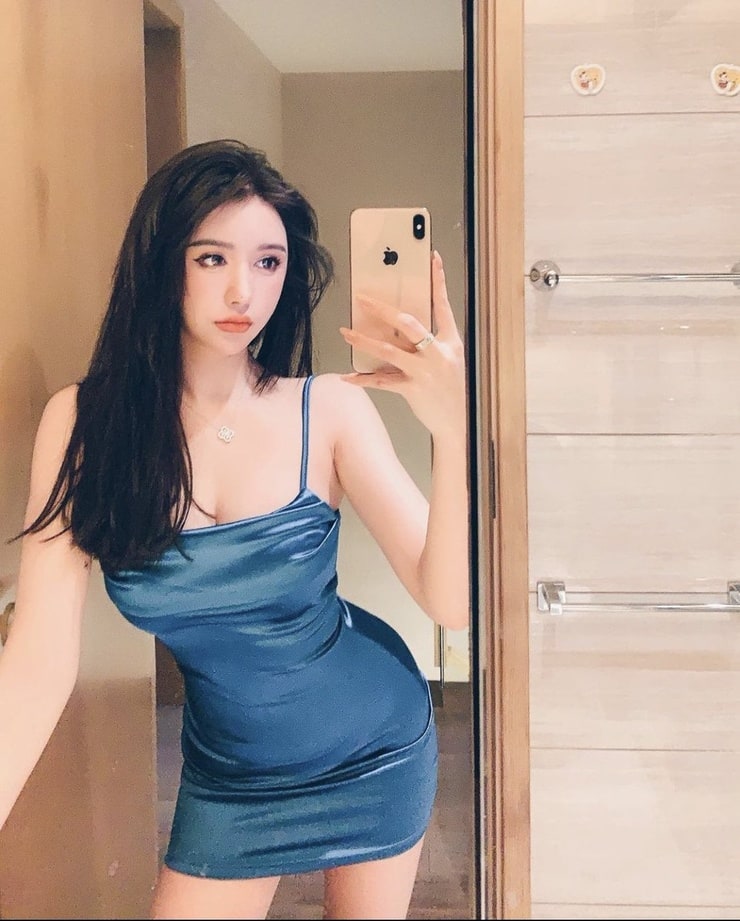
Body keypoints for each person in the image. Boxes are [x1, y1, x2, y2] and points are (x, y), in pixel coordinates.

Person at [0, 139, 469, 920]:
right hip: (233, 779)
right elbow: (36, 664)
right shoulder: (84, 426)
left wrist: (453, 431)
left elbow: (449, 601)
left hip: (375, 742)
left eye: (269, 262)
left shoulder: (328, 409)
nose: (243, 290)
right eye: (212, 257)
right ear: (163, 262)